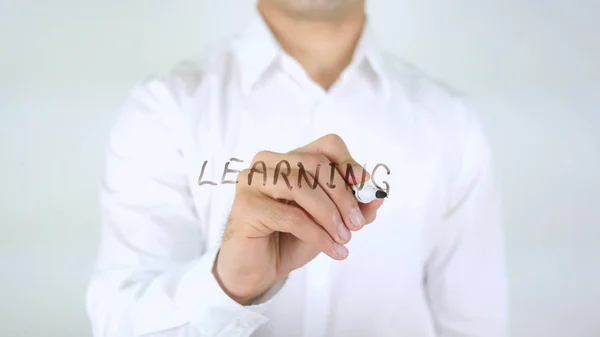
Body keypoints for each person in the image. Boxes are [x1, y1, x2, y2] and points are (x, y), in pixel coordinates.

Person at [86, 0, 508, 336]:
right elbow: (119, 323)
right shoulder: (165, 109)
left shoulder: (451, 123)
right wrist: (229, 284)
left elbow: (475, 325)